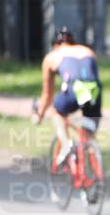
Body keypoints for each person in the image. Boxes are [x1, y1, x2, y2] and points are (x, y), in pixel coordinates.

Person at [32, 27, 103, 165]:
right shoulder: (87, 51)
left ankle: (66, 145)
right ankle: (98, 172)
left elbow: (47, 94)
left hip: (73, 88)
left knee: (55, 110)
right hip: (94, 90)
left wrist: (39, 115)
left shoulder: (52, 56)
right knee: (89, 134)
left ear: (55, 45)